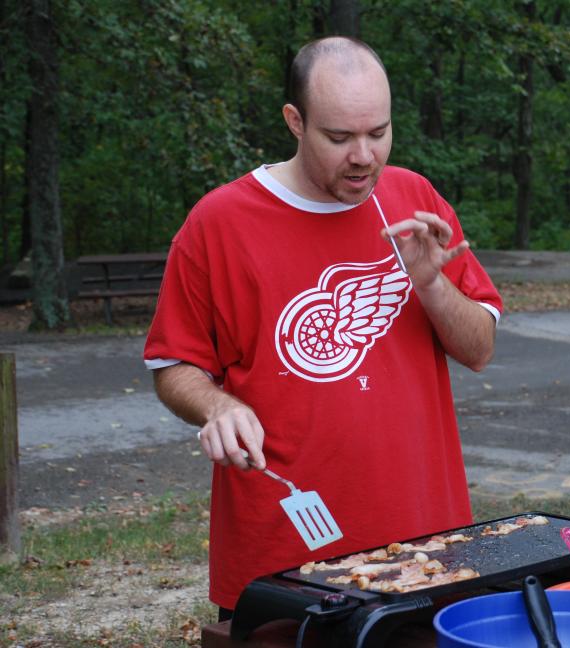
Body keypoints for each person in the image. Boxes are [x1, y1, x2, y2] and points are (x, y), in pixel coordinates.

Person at [143, 36, 502, 614]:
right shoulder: (220, 222)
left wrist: (431, 285)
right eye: (339, 138)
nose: (363, 156)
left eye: (378, 133)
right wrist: (217, 407)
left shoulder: (414, 199)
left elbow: (479, 349)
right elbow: (173, 365)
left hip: (428, 543)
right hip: (281, 547)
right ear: (295, 121)